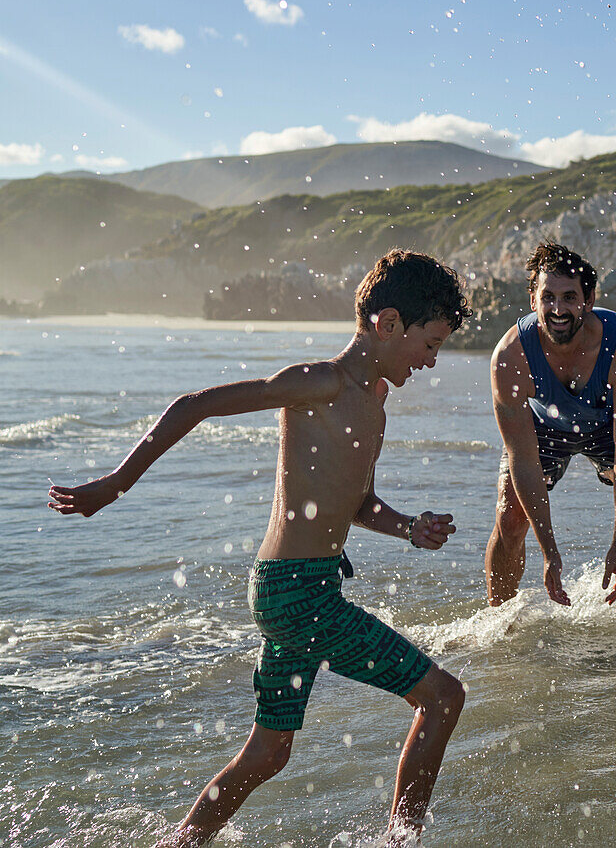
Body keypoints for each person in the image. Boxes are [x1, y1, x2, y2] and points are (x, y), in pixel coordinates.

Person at [48, 248, 472, 847]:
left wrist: (408, 527)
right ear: (388, 324)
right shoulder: (320, 382)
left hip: (302, 589)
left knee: (270, 752)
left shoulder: (375, 404)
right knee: (443, 698)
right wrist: (115, 484)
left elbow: (357, 503)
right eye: (430, 344)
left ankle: (185, 840)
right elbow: (194, 405)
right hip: (297, 594)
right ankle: (400, 843)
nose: (432, 360)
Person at [485, 239, 616, 614]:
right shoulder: (510, 357)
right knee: (510, 515)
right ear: (533, 300)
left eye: (569, 297)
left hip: (607, 427)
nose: (558, 309)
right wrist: (550, 553)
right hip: (544, 427)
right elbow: (523, 460)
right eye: (548, 297)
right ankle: (498, 625)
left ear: (588, 300)